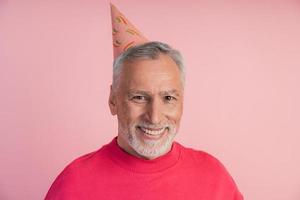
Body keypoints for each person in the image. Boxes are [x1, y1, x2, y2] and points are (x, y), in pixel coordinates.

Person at [45, 4, 243, 200]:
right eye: (139, 97)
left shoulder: (215, 177)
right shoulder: (74, 184)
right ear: (113, 100)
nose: (154, 117)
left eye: (168, 98)